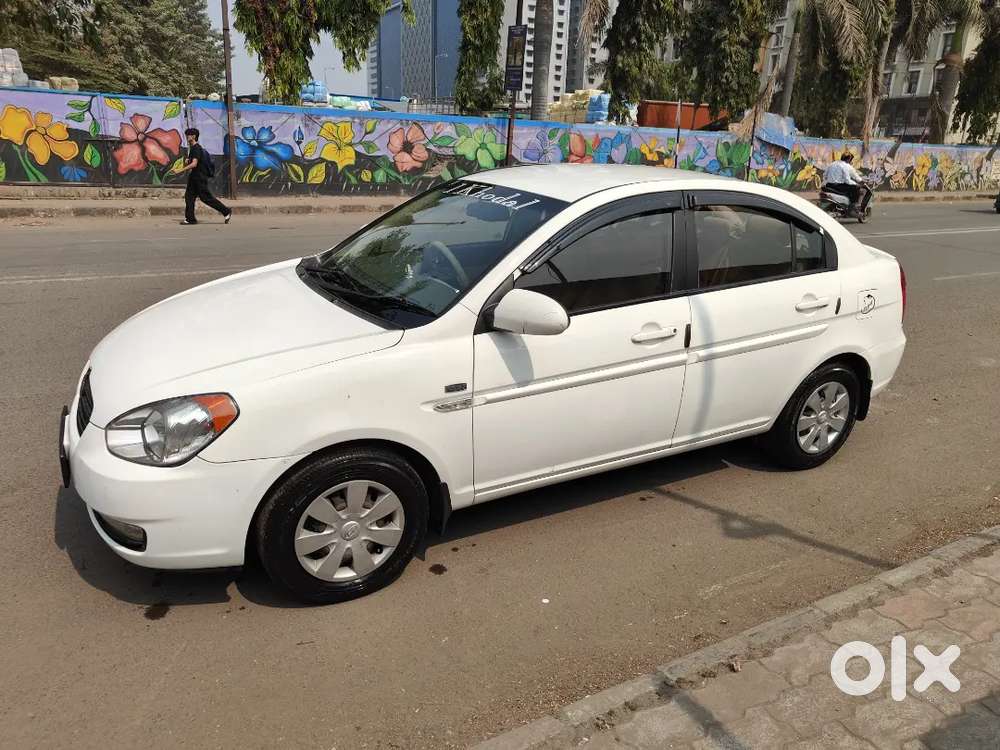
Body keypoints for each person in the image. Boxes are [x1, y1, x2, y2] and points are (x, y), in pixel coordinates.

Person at [177, 127, 231, 225]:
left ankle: (226, 211)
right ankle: (190, 219)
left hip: (199, 177)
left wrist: (181, 170)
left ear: (193, 136)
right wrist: (188, 160)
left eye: (188, 135)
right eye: (186, 135)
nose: (187, 137)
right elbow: (193, 160)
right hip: (194, 177)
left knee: (206, 198)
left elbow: (194, 164)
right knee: (189, 197)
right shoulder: (193, 148)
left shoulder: (196, 148)